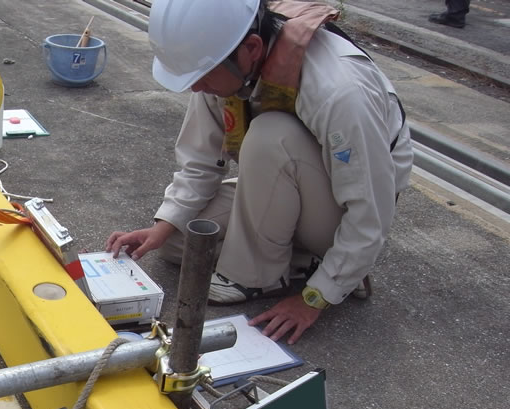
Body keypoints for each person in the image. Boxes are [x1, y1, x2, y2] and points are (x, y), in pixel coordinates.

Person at [106, 0, 412, 343]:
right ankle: (297, 260)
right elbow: (200, 162)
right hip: (289, 184)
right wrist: (161, 227)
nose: (195, 88)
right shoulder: (224, 63)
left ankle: (265, 276)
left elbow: (372, 210)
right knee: (181, 244)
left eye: (201, 77)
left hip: (337, 212)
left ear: (251, 48)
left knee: (271, 136)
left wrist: (316, 297)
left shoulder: (340, 91)